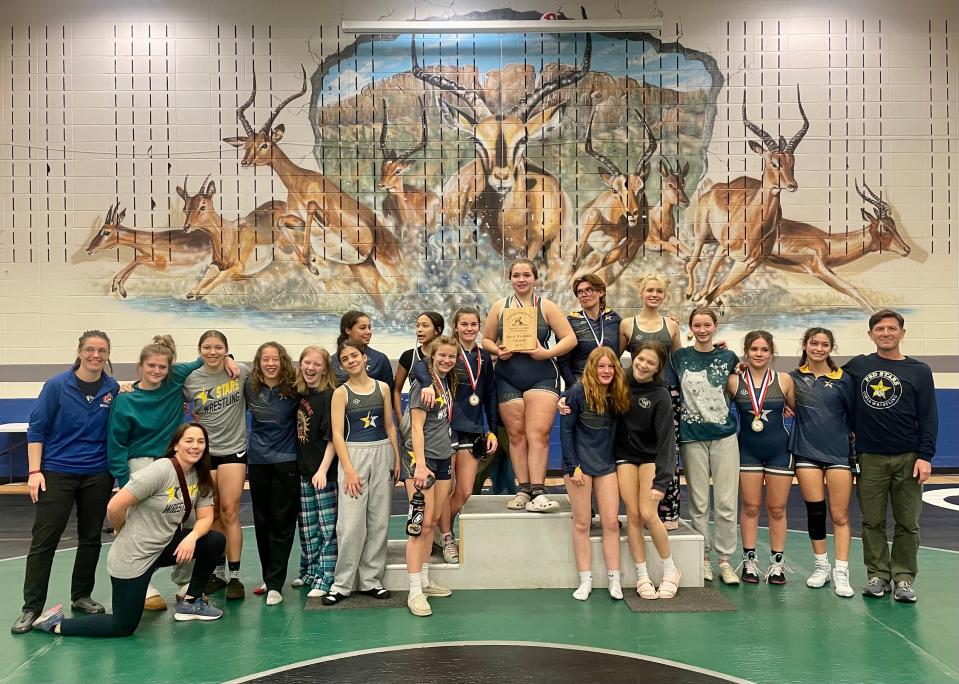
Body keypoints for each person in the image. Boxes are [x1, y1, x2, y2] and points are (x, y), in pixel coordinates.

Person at [31, 423, 226, 636]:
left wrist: (192, 537)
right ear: (176, 445)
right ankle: (55, 623)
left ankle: (191, 602)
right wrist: (120, 527)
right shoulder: (160, 470)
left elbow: (206, 517)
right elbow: (115, 505)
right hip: (135, 556)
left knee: (213, 540)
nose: (195, 446)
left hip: (164, 545)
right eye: (189, 441)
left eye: (200, 442)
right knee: (122, 626)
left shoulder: (201, 475)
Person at [12, 331, 120, 635]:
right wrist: (35, 472)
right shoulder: (57, 386)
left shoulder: (112, 389)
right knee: (44, 540)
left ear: (108, 354)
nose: (95, 355)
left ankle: (81, 595)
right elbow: (37, 430)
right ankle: (31, 607)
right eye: (90, 349)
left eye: (101, 350)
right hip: (57, 472)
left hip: (98, 473)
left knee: (90, 538)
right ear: (80, 351)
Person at [106, 335, 215, 611]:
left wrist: (229, 361)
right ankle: (144, 582)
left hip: (176, 462)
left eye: (162, 367)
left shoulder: (175, 379)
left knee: (189, 519)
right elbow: (116, 444)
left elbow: (205, 356)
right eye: (151, 366)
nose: (157, 371)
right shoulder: (125, 400)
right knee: (143, 525)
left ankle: (184, 582)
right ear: (140, 366)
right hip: (141, 466)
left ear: (169, 368)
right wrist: (123, 481)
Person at [843, 310, 938, 603]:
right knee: (872, 521)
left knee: (908, 522)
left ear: (902, 333)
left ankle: (904, 578)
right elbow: (823, 377)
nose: (886, 333)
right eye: (880, 329)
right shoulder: (858, 366)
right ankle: (878, 575)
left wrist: (925, 455)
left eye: (892, 328)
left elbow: (929, 416)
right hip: (870, 457)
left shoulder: (919, 371)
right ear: (870, 334)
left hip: (909, 457)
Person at [482, 259, 576, 512]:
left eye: (526, 275)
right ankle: (523, 489)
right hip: (507, 376)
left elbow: (570, 338)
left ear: (535, 278)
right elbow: (487, 340)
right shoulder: (499, 307)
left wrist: (547, 353)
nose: (521, 279)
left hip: (541, 375)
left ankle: (538, 490)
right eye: (516, 275)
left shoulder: (547, 307)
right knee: (516, 435)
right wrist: (498, 350)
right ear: (510, 279)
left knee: (538, 435)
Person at [411, 307, 499, 564]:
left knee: (464, 490)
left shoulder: (484, 357)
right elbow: (419, 365)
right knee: (444, 488)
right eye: (464, 324)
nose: (469, 329)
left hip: (472, 428)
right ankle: (447, 536)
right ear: (456, 326)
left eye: (474, 324)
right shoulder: (448, 352)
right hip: (446, 428)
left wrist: (491, 428)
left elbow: (490, 395)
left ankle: (440, 528)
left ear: (479, 326)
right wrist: (427, 383)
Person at [322, 341, 401, 605]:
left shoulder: (383, 388)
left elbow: (390, 426)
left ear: (364, 357)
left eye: (354, 355)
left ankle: (371, 581)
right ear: (342, 365)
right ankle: (342, 584)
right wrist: (348, 469)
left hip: (382, 453)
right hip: (354, 455)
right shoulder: (341, 393)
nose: (351, 360)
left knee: (378, 521)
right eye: (345, 359)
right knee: (351, 523)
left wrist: (396, 458)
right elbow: (336, 434)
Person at [672, 308, 741, 585]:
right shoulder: (680, 357)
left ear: (715, 326)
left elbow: (739, 385)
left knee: (725, 501)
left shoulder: (728, 357)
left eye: (707, 325)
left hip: (724, 435)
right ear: (691, 328)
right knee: (699, 503)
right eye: (697, 325)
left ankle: (725, 560)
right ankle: (703, 559)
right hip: (692, 437)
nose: (702, 330)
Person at [789, 327, 856, 598]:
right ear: (805, 345)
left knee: (839, 515)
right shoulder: (793, 379)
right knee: (815, 512)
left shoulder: (844, 380)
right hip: (806, 453)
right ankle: (821, 566)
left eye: (824, 344)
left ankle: (841, 570)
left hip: (839, 454)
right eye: (813, 343)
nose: (818, 348)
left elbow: (855, 417)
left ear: (831, 348)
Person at [182, 330, 248, 600]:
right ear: (199, 350)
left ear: (226, 349)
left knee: (230, 510)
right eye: (207, 347)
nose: (212, 352)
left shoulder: (240, 372)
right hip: (206, 453)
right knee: (212, 515)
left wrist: (231, 360)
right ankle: (217, 572)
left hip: (234, 450)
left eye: (218, 347)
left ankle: (234, 576)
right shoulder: (190, 381)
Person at [560, 347, 630, 601]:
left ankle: (614, 580)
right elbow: (566, 432)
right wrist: (572, 466)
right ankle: (585, 579)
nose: (606, 371)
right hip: (579, 466)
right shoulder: (577, 393)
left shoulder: (618, 393)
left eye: (611, 366)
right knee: (582, 523)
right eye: (601, 366)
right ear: (592, 368)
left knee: (611, 523)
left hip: (606, 466)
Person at [729, 330, 796, 584]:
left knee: (777, 509)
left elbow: (795, 408)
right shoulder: (735, 381)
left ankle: (777, 564)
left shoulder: (784, 380)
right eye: (754, 349)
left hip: (780, 451)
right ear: (747, 351)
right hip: (747, 451)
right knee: (751, 507)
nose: (759, 354)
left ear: (771, 353)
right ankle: (748, 561)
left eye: (764, 350)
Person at [616, 343, 681, 599]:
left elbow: (667, 441)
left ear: (658, 368)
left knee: (647, 513)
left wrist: (662, 482)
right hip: (624, 457)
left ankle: (670, 570)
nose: (643, 365)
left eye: (650, 363)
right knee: (632, 514)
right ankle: (642, 575)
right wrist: (567, 401)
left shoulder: (660, 394)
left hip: (650, 457)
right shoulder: (618, 382)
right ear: (634, 357)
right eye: (641, 359)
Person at [619, 273, 683, 530]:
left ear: (664, 296)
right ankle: (637, 510)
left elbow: (681, 360)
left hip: (668, 394)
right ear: (641, 293)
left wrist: (715, 348)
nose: (654, 295)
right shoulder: (627, 325)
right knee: (636, 451)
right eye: (650, 290)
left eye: (659, 291)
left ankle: (668, 512)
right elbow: (614, 360)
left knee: (667, 450)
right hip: (635, 397)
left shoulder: (672, 326)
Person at [403, 336, 461, 616]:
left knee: (435, 519)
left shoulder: (448, 381)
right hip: (421, 461)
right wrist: (421, 465)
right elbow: (415, 427)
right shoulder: (421, 386)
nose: (447, 360)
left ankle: (424, 580)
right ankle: (414, 590)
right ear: (433, 357)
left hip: (442, 458)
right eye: (442, 356)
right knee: (421, 524)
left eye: (452, 356)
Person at [245, 342, 300, 606]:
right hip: (257, 461)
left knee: (282, 522)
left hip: (287, 461)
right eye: (265, 359)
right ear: (259, 362)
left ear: (282, 361)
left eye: (275, 359)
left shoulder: (294, 388)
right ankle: (268, 577)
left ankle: (276, 583)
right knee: (262, 521)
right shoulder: (250, 386)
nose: (270, 363)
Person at [294, 345, 339, 598]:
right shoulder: (302, 395)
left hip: (324, 474)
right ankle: (310, 571)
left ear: (325, 370)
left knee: (326, 527)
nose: (311, 368)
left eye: (317, 364)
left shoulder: (329, 396)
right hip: (304, 472)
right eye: (306, 363)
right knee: (307, 526)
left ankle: (326, 576)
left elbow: (332, 438)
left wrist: (322, 470)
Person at [557, 274, 622, 386]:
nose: (584, 294)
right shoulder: (570, 322)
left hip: (612, 385)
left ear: (601, 292)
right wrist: (575, 388)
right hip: (582, 384)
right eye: (580, 292)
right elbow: (563, 362)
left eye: (589, 290)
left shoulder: (614, 318)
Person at [392, 311, 444, 421]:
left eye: (425, 326)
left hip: (441, 417)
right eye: (417, 326)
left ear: (437, 330)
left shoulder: (447, 358)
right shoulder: (409, 356)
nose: (419, 329)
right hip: (415, 416)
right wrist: (400, 420)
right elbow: (396, 390)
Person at [330, 310, 394, 390]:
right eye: (363, 328)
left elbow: (389, 393)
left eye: (369, 328)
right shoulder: (332, 362)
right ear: (348, 330)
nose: (368, 332)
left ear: (364, 358)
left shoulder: (380, 359)